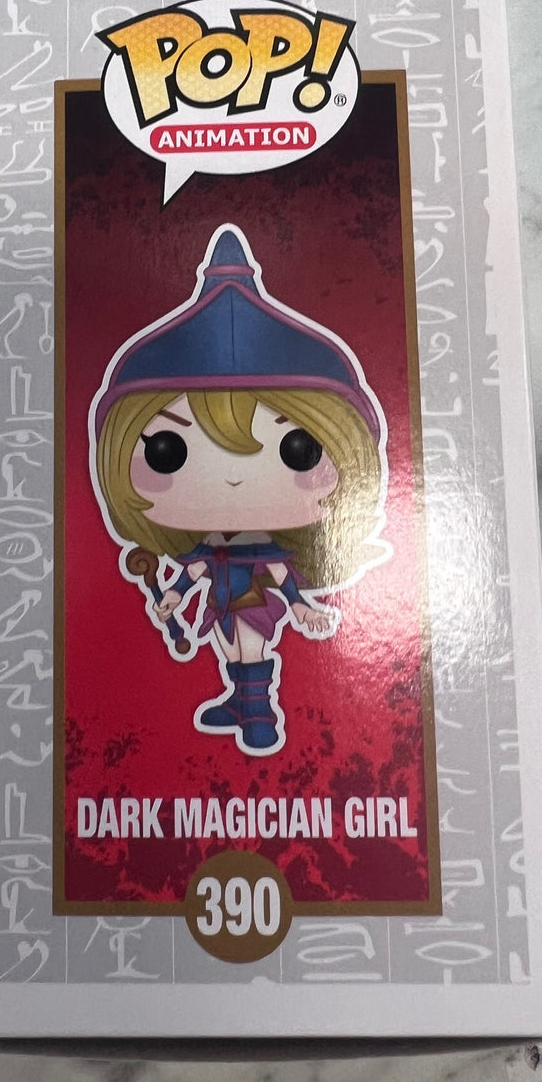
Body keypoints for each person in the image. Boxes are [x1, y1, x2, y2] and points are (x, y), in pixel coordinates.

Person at [90, 224, 388, 755]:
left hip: (251, 599)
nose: (232, 476)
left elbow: (280, 577)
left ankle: (259, 716)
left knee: (249, 646)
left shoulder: (262, 550)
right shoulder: (211, 545)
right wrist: (171, 597)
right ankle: (238, 701)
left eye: (299, 448)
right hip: (222, 601)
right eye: (167, 452)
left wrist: (300, 607)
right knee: (230, 646)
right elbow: (194, 571)